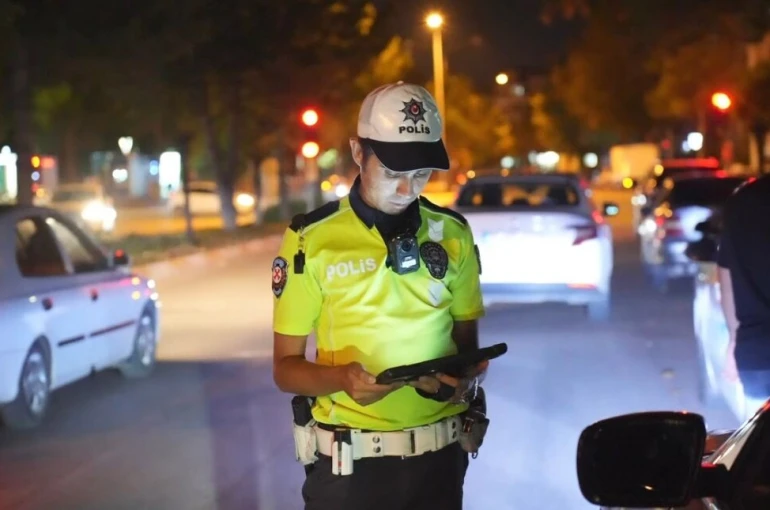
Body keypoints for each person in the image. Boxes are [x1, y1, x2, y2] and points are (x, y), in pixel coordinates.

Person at [271, 82, 488, 510]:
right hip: (351, 473)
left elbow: (469, 356)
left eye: (420, 175)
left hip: (440, 467)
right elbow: (285, 370)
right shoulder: (309, 240)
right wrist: (342, 381)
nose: (407, 190)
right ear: (358, 152)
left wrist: (454, 383)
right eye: (392, 173)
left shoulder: (454, 234)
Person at [717, 174, 770, 420]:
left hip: (758, 352)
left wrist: (735, 338)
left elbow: (726, 277)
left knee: (760, 449)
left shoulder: (743, 201)